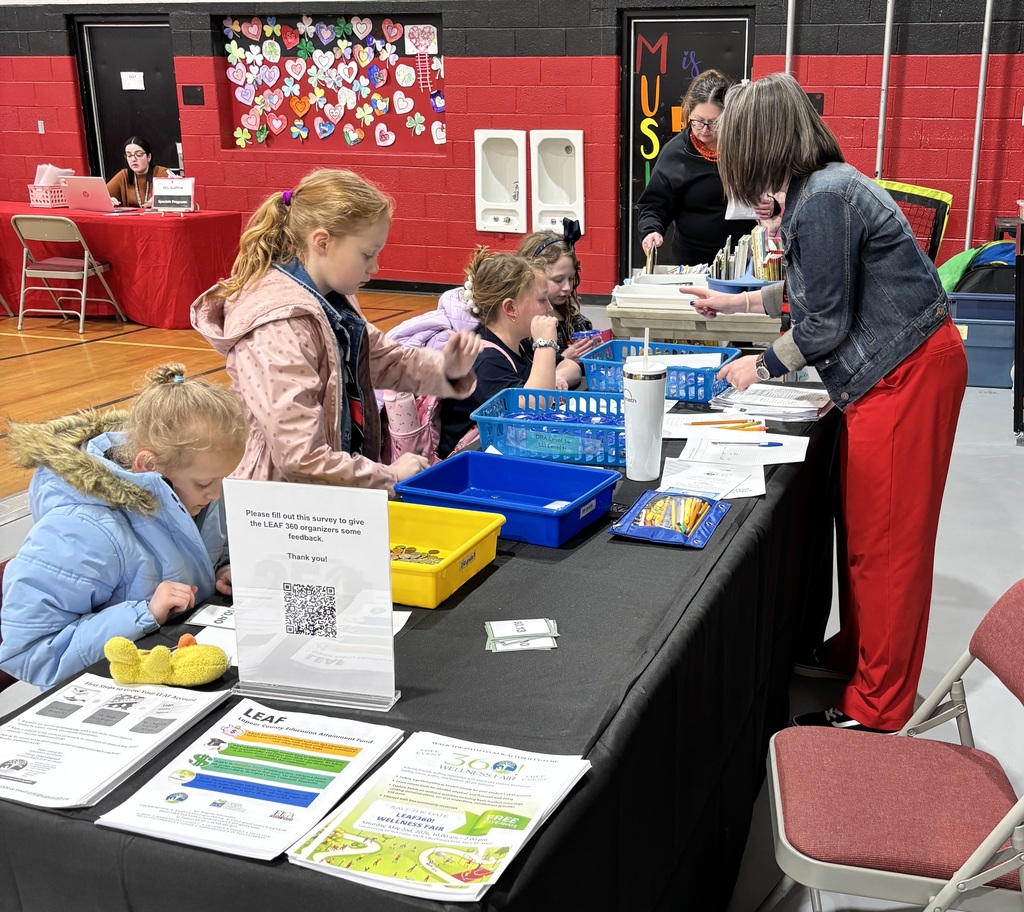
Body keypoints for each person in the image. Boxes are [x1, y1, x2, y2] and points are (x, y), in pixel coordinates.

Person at [688, 72, 967, 733]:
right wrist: (733, 302)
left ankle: (878, 707)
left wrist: (758, 366)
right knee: (863, 535)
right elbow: (810, 291)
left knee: (887, 547)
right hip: (886, 376)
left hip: (908, 376)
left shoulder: (823, 199)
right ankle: (857, 654)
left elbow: (821, 326)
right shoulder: (821, 191)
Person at [191, 168, 482, 492]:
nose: (375, 268)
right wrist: (391, 475)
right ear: (322, 243)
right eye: (367, 255)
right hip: (280, 505)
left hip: (324, 495)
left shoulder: (332, 302)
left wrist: (447, 368)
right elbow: (301, 457)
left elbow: (385, 360)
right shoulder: (280, 326)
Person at [0, 364, 247, 690]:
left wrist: (220, 569)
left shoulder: (196, 490)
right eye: (205, 483)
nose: (216, 494)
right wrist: (144, 614)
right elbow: (32, 654)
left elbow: (196, 549)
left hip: (179, 667)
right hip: (105, 697)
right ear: (149, 467)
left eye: (222, 479)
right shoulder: (78, 531)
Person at [437, 247, 581, 458]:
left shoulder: (520, 343)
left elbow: (573, 367)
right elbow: (531, 412)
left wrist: (555, 378)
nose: (550, 308)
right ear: (511, 309)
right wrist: (545, 345)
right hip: (474, 461)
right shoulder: (484, 360)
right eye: (541, 300)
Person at [637, 69, 756, 267]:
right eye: (698, 122)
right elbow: (654, 204)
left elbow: (774, 191)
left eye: (714, 123)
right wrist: (651, 230)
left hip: (745, 258)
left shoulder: (747, 147)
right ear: (688, 114)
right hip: (693, 260)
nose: (705, 130)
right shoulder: (676, 152)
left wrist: (773, 205)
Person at [516, 222, 600, 360]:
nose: (567, 287)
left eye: (571, 278)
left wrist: (593, 348)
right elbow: (529, 374)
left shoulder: (571, 317)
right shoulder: (525, 327)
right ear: (530, 277)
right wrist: (562, 359)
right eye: (558, 280)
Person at [105, 136, 170, 209]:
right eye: (129, 155)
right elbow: (101, 195)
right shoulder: (123, 175)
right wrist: (108, 200)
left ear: (149, 157)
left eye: (138, 154)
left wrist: (160, 200)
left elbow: (174, 197)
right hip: (131, 219)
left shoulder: (162, 173)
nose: (133, 159)